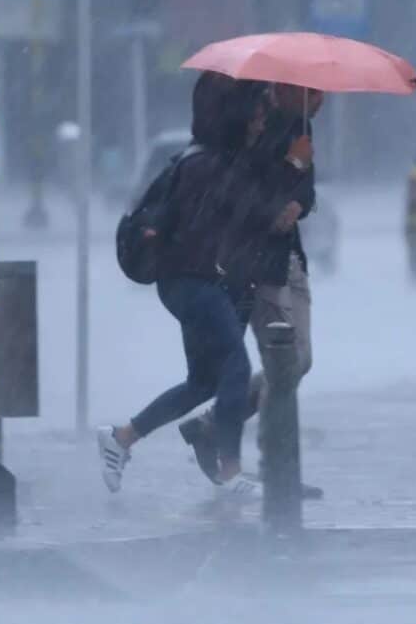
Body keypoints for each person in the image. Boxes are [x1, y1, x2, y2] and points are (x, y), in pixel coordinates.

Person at [95, 73, 307, 498]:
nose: (262, 124)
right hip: (190, 283)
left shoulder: (218, 161)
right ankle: (230, 473)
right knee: (237, 368)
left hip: (197, 282)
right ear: (238, 117)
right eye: (258, 116)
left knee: (204, 382)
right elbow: (241, 216)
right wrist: (291, 176)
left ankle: (121, 438)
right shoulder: (206, 165)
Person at [177, 83, 321, 486]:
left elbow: (305, 190)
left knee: (299, 361)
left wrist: (300, 201)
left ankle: (212, 424)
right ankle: (278, 471)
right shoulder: (255, 128)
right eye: (313, 90)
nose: (322, 98)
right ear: (286, 89)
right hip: (261, 263)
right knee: (282, 364)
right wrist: (291, 168)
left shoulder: (301, 125)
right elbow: (249, 194)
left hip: (291, 257)